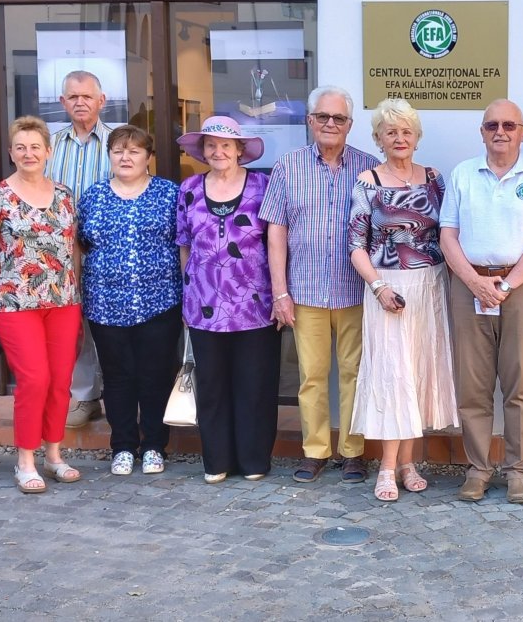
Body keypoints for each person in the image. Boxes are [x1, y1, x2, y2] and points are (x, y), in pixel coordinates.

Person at [440, 99, 523, 504]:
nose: (500, 131)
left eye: (510, 125)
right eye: (492, 125)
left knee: (520, 383)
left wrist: (505, 286)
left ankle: (518, 471)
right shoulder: (462, 174)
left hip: (522, 286)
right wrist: (475, 282)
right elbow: (447, 236)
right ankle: (477, 468)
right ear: (482, 131)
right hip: (468, 283)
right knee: (472, 385)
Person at [260, 86, 378, 485]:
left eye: (339, 118)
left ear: (350, 124)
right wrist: (280, 292)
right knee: (311, 375)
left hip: (355, 291)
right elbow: (276, 232)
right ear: (310, 121)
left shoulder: (368, 168)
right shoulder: (288, 166)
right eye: (323, 117)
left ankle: (353, 452)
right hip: (305, 292)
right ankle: (314, 451)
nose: (331, 124)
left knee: (354, 374)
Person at [348, 98, 460, 502]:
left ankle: (410, 463)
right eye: (390, 131)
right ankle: (388, 467)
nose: (399, 138)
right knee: (391, 375)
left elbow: (449, 232)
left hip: (429, 285)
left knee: (418, 373)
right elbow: (355, 244)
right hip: (387, 287)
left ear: (417, 137)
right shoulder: (368, 181)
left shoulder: (434, 178)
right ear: (378, 138)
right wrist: (378, 287)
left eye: (406, 131)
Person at [0, 116, 83, 494]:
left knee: (60, 381)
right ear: (10, 153)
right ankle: (25, 460)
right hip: (14, 303)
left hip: (63, 302)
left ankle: (54, 455)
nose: (28, 153)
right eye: (20, 147)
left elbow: (72, 253)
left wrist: (77, 298)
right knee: (34, 379)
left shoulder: (66, 195)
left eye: (35, 146)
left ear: (48, 152)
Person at [176, 116, 279, 484]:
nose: (218, 151)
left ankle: (253, 460)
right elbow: (185, 247)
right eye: (210, 145)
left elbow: (275, 243)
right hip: (204, 307)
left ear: (240, 150)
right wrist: (191, 292)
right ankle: (216, 459)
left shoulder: (263, 188)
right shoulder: (188, 189)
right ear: (202, 152)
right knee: (213, 385)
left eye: (225, 145)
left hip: (256, 305)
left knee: (254, 385)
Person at [77, 125, 182, 477]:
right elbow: (81, 244)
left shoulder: (169, 194)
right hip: (106, 303)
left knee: (155, 376)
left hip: (160, 301)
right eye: (118, 150)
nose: (126, 157)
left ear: (149, 158)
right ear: (109, 155)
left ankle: (154, 445)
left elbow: (182, 245)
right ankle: (122, 445)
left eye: (134, 151)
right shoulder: (92, 197)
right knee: (118, 377)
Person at [46, 69, 115, 428]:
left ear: (101, 101)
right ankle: (86, 396)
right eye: (73, 97)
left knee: (109, 321)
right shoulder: (50, 146)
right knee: (75, 322)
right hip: (58, 251)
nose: (80, 102)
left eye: (87, 96)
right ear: (63, 102)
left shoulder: (117, 143)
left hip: (107, 249)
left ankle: (116, 393)